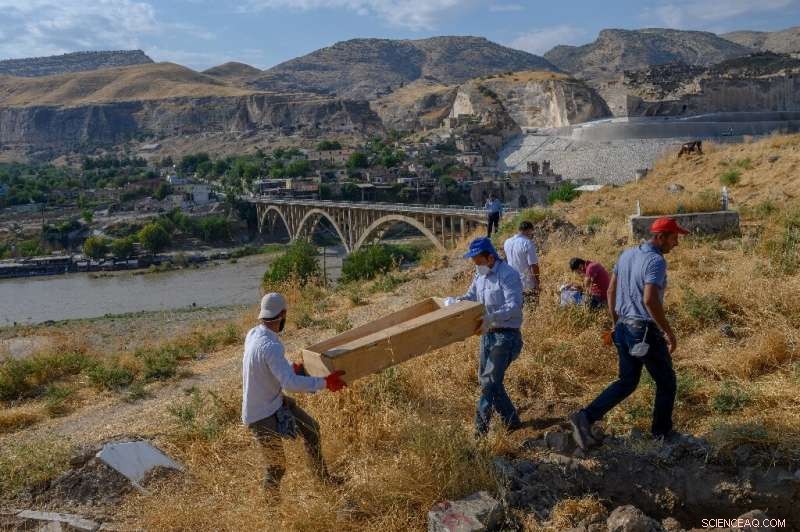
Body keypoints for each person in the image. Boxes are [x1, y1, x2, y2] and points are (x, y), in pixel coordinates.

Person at [569, 217, 687, 449]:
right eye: (674, 238)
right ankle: (661, 434)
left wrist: (616, 324)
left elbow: (611, 290)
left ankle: (585, 417)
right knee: (666, 382)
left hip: (624, 327)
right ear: (660, 237)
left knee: (628, 381)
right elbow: (650, 299)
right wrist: (668, 332)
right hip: (643, 331)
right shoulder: (656, 261)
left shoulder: (626, 255)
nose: (676, 244)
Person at [242, 292, 347, 492]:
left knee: (312, 430)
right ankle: (271, 512)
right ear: (283, 314)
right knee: (276, 467)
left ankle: (323, 482)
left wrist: (292, 367)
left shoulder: (254, 334)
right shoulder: (271, 345)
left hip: (273, 402)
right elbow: (290, 384)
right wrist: (325, 382)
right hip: (260, 414)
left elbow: (271, 367)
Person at [457, 237, 524, 436]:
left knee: (489, 381)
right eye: (474, 262)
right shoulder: (480, 275)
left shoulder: (508, 274)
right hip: (487, 335)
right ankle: (511, 421)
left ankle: (479, 431)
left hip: (506, 335)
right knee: (488, 381)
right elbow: (470, 296)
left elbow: (514, 306)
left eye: (478, 261)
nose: (476, 265)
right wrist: (455, 303)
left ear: (490, 257)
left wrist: (492, 317)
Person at [503, 221, 541, 304]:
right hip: (527, 284)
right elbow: (533, 265)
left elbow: (507, 261)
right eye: (532, 232)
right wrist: (537, 283)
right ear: (529, 230)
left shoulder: (507, 242)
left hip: (511, 283)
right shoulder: (527, 243)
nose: (532, 235)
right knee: (531, 309)